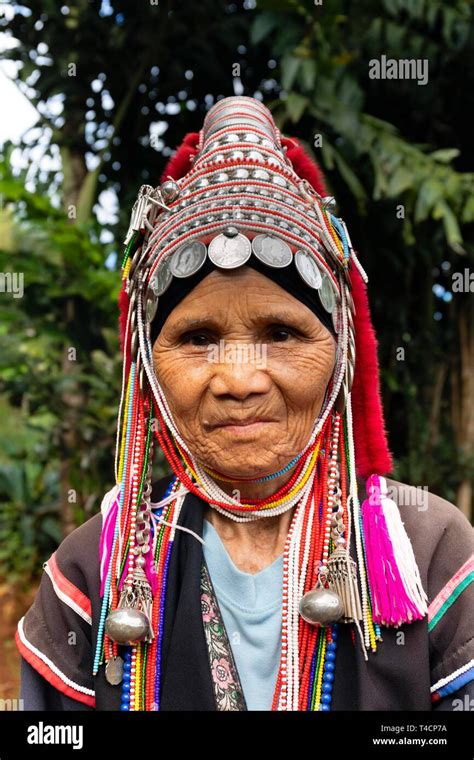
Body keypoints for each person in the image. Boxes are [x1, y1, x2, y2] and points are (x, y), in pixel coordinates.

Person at [17, 96, 474, 711]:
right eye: (198, 338)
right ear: (149, 373)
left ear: (339, 356)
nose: (239, 381)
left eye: (281, 334)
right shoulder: (88, 573)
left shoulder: (430, 552)